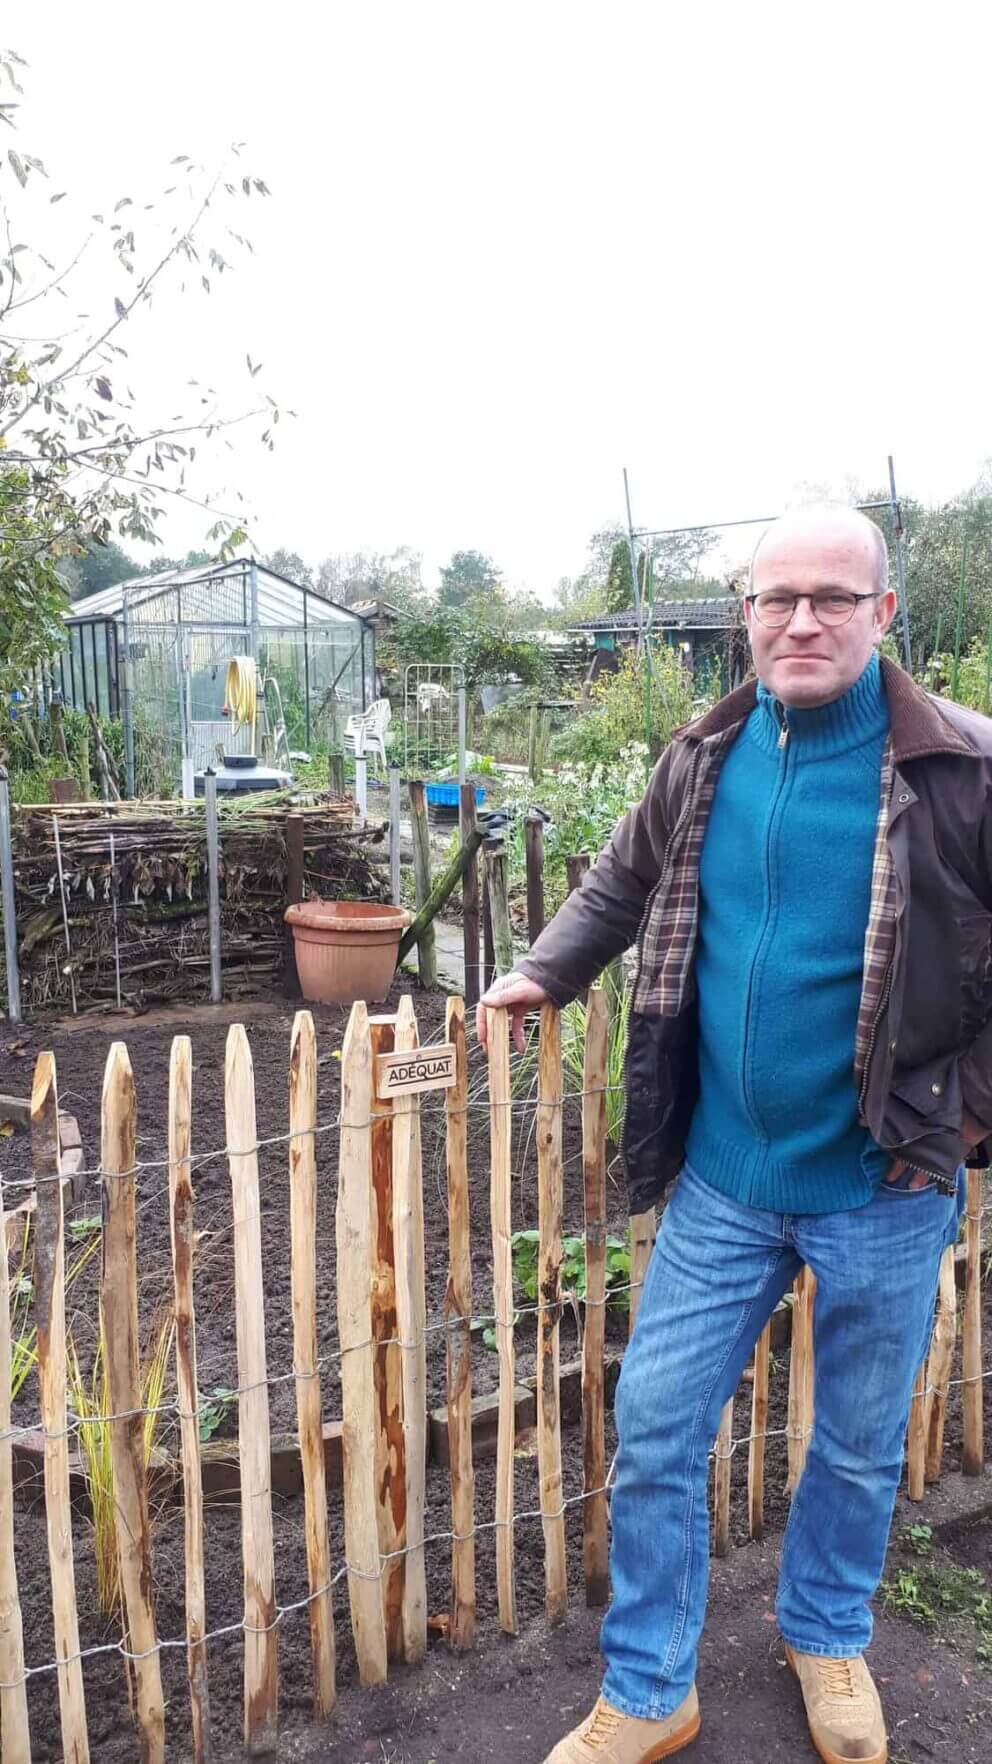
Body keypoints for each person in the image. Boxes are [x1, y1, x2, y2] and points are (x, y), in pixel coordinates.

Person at [477, 505, 992, 1764]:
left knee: (859, 1445)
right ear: (743, 616)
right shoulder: (704, 753)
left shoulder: (964, 771)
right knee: (654, 1428)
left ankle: (825, 1634)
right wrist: (539, 974)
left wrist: (958, 1117)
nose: (798, 619)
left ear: (882, 614)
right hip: (724, 1180)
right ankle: (652, 1689)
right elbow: (616, 880)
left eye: (830, 596)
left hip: (883, 1179)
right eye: (775, 598)